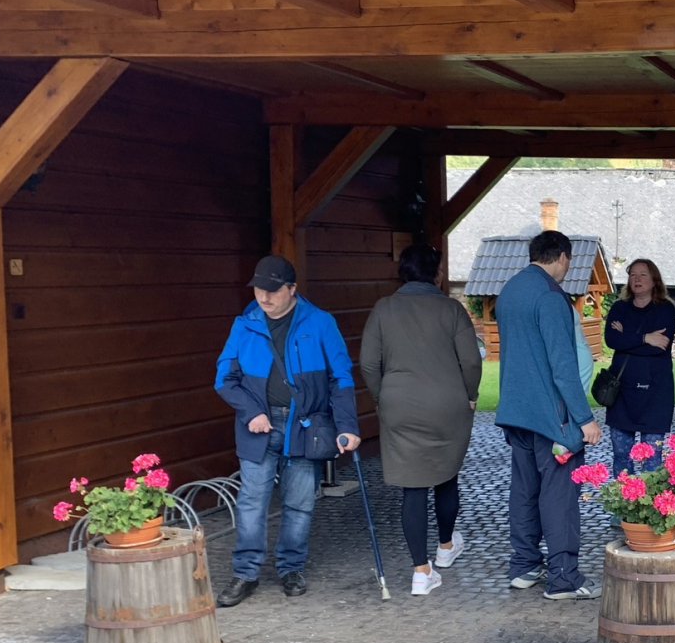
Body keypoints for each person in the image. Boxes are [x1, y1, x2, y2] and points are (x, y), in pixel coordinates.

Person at [213, 254, 360, 606]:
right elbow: (224, 379)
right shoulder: (244, 325)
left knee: (299, 503)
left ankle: (291, 568)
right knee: (252, 502)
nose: (264, 297)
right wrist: (251, 412)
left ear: (292, 289)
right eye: (259, 289)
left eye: (273, 290)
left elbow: (340, 378)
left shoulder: (320, 323)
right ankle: (245, 573)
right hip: (258, 428)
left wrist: (348, 426)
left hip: (304, 426)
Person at [360, 244, 482, 597]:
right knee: (447, 476)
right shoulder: (451, 309)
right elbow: (471, 361)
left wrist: (383, 396)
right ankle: (445, 547)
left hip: (399, 404)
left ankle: (420, 572)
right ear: (437, 273)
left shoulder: (383, 309)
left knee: (412, 488)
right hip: (447, 404)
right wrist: (471, 394)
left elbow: (368, 362)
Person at [494, 230, 603, 601]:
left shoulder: (510, 291)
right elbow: (563, 366)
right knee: (560, 496)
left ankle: (524, 565)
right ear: (562, 257)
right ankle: (563, 578)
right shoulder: (551, 297)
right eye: (568, 261)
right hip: (551, 418)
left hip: (515, 411)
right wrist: (585, 419)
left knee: (524, 491)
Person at [603, 258, 675, 478]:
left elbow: (658, 347)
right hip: (622, 391)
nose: (637, 279)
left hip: (655, 392)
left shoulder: (665, 310)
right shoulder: (619, 308)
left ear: (654, 280)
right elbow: (612, 340)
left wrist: (626, 338)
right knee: (621, 455)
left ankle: (649, 501)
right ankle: (623, 499)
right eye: (632, 274)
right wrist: (645, 338)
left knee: (652, 460)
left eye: (643, 274)